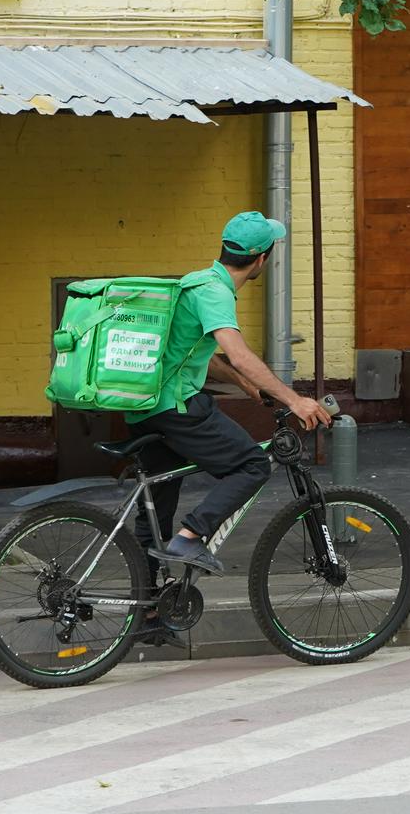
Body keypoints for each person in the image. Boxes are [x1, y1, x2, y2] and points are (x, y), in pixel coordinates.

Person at [127, 212, 333, 639]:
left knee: (155, 509)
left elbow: (203, 355)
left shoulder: (198, 281)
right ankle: (191, 536)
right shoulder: (217, 293)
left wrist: (245, 386)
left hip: (147, 407)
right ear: (261, 259)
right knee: (251, 466)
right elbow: (236, 353)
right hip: (180, 407)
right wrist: (293, 399)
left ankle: (147, 616)